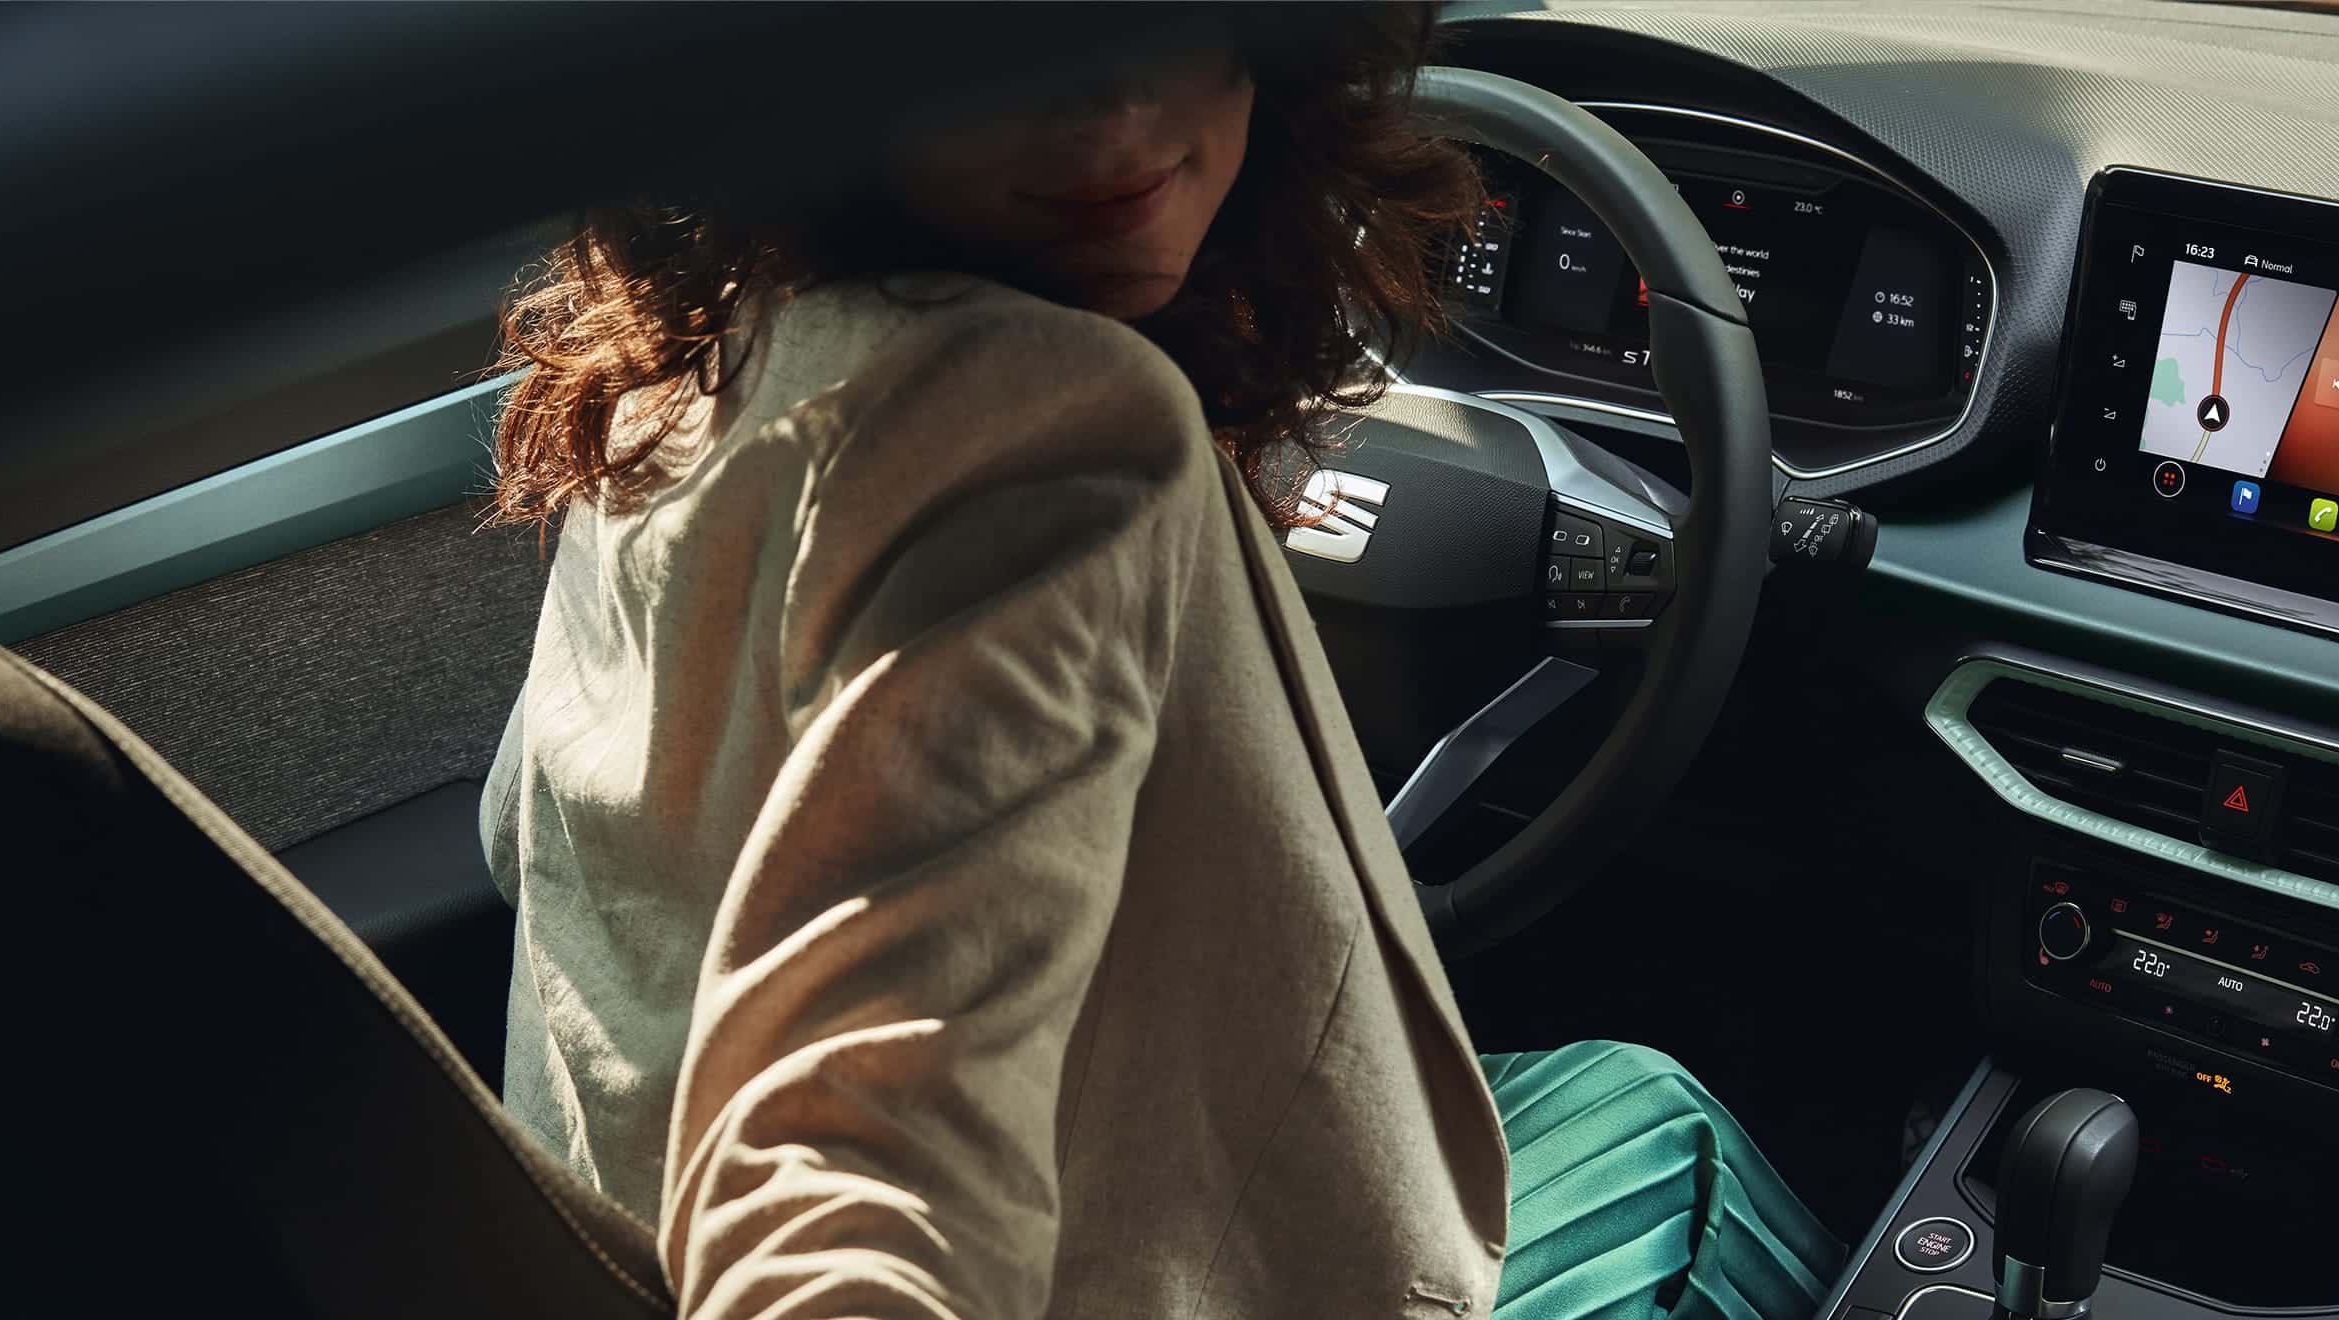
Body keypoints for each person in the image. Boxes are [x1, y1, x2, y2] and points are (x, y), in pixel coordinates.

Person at [477, 5, 1840, 1317]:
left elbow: (528, 840)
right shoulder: (1050, 418)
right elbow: (865, 1153)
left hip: (661, 1234)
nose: (1120, 109)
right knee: (1677, 1147)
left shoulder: (684, 355)